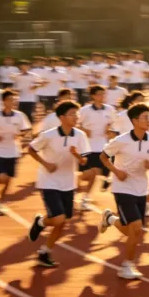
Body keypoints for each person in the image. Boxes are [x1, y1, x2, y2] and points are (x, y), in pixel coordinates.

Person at [98, 104, 149, 280]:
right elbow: (103, 156)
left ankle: (110, 219)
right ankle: (127, 265)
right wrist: (115, 171)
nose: (148, 120)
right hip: (122, 187)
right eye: (144, 117)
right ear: (134, 121)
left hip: (141, 188)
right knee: (136, 227)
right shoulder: (121, 140)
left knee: (132, 231)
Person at [27, 101, 89, 268]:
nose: (76, 117)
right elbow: (31, 149)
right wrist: (45, 164)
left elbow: (84, 161)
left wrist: (78, 156)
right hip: (49, 181)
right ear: (61, 117)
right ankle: (41, 224)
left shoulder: (80, 136)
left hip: (68, 183)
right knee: (59, 218)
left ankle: (45, 249)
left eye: (77, 114)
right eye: (72, 114)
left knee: (63, 221)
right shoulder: (49, 135)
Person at [0, 90, 33, 215]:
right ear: (4, 101)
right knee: (3, 177)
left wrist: (21, 134)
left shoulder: (19, 116)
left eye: (15, 100)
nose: (14, 102)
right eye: (12, 100)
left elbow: (27, 130)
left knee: (8, 180)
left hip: (13, 151)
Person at [76, 85, 117, 210]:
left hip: (103, 146)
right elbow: (76, 125)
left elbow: (113, 126)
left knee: (96, 173)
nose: (102, 96)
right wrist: (84, 130)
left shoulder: (110, 109)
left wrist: (110, 130)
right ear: (93, 96)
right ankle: (74, 183)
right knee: (90, 173)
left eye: (103, 94)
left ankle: (85, 197)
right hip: (88, 146)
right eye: (99, 94)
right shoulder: (85, 110)